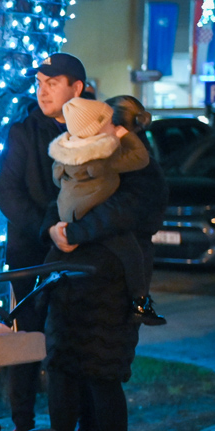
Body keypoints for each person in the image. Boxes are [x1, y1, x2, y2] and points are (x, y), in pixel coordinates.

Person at [40, 94, 168, 431]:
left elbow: (124, 212)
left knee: (103, 370)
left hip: (111, 281)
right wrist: (54, 230)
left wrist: (75, 233)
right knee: (62, 368)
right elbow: (61, 200)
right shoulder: (83, 158)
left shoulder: (140, 169)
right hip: (68, 278)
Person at [0, 52, 86, 431]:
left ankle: (82, 428)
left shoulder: (94, 128)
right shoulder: (24, 130)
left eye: (52, 83)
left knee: (76, 342)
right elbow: (6, 191)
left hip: (79, 252)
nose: (42, 91)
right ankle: (23, 425)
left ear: (76, 88)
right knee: (26, 342)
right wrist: (46, 228)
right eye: (39, 83)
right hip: (29, 254)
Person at [51, 97, 165, 325]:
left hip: (106, 282)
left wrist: (65, 231)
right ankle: (141, 302)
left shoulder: (80, 154)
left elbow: (121, 211)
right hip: (101, 275)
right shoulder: (106, 157)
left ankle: (139, 302)